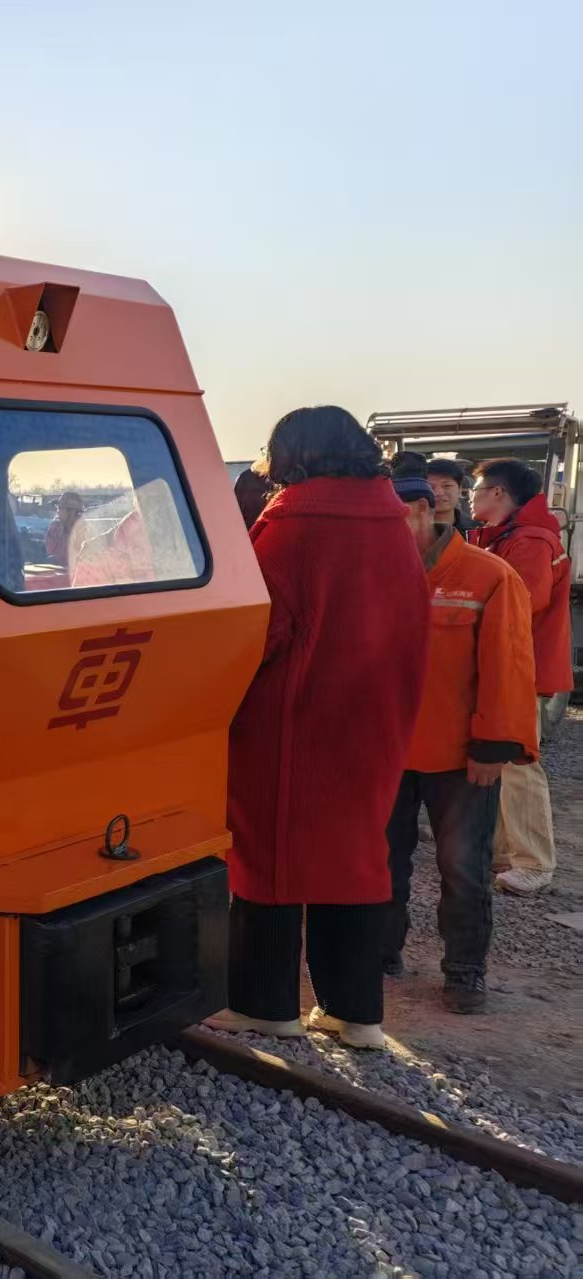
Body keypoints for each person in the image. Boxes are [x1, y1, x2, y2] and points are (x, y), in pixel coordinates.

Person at [208, 406, 428, 1051]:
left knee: (266, 856)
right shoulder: (392, 523)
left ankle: (263, 1005)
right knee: (357, 858)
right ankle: (355, 1013)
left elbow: (257, 633)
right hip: (376, 719)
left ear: (293, 455)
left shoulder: (291, 527)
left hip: (291, 721)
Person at [384, 472, 536, 1013]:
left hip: (460, 758)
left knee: (464, 867)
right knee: (382, 861)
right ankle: (382, 953)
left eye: (390, 516)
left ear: (424, 509)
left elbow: (510, 665)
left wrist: (495, 746)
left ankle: (465, 972)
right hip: (389, 754)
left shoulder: (488, 576)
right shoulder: (378, 577)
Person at [469, 458, 573, 895]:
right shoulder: (506, 537)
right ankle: (501, 852)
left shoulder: (529, 542)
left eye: (476, 489)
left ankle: (533, 861)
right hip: (509, 666)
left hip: (519, 669)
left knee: (517, 761)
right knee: (495, 762)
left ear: (498, 494)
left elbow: (519, 605)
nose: (470, 497)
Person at [425, 457, 476, 532]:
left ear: (459, 489)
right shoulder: (409, 531)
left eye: (447, 486)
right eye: (430, 487)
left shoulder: (478, 531)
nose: (439, 493)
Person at [44, 492, 84, 565]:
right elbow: (51, 554)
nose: (58, 511)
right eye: (58, 508)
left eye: (61, 508)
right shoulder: (54, 529)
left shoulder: (84, 532)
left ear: (72, 512)